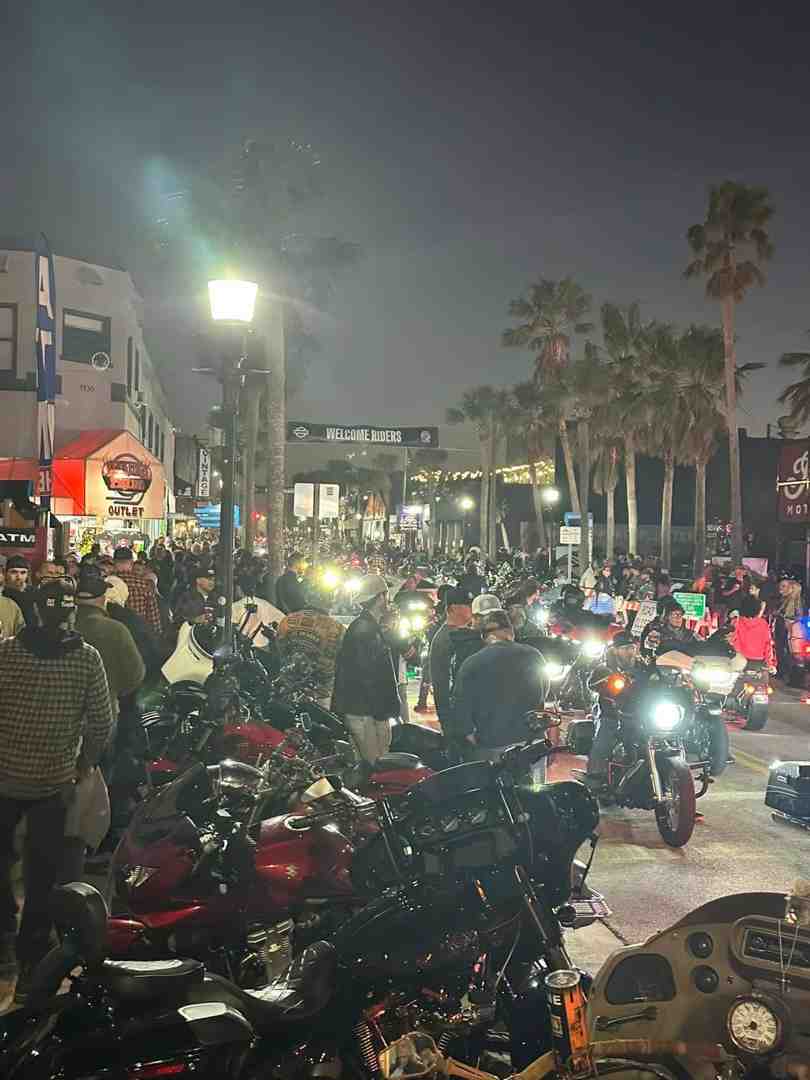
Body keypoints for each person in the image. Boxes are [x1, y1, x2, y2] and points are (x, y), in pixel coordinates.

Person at [0, 579, 113, 1001]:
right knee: (43, 873)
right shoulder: (87, 660)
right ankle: (31, 958)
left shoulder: (7, 652)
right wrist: (83, 763)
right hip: (53, 781)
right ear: (71, 616)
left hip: (4, 777)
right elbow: (102, 722)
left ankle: (2, 942)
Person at [453, 610, 548, 762]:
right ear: (511, 631)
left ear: (485, 636)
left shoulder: (472, 663)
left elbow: (461, 708)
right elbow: (544, 694)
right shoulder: (535, 655)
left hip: (493, 744)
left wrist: (473, 739)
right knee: (535, 785)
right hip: (532, 742)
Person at [331, 575, 400, 764]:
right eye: (386, 595)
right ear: (379, 598)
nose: (388, 600)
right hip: (364, 713)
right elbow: (367, 677)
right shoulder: (364, 630)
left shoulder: (367, 627)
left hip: (366, 711)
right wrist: (382, 713)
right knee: (376, 767)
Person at [277, 583, 346, 708]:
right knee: (319, 725)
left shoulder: (287, 620)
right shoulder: (337, 628)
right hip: (320, 693)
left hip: (288, 686)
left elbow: (279, 649)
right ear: (329, 601)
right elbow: (342, 659)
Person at [429, 587, 474, 734]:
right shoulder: (446, 639)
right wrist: (447, 723)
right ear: (453, 608)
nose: (471, 608)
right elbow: (441, 684)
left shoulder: (463, 634)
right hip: (456, 718)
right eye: (467, 605)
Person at [111, 546, 162, 635]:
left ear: (114, 563)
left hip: (115, 633)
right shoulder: (144, 584)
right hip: (139, 634)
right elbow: (153, 616)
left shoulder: (108, 583)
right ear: (131, 563)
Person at [730, 594, 777, 672]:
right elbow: (768, 644)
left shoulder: (736, 622)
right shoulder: (763, 623)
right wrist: (770, 664)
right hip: (758, 661)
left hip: (739, 660)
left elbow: (733, 640)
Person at [3, 555, 36, 625]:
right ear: (5, 573)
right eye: (14, 572)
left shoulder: (34, 593)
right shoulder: (2, 594)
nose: (19, 577)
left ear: (28, 574)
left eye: (23, 572)